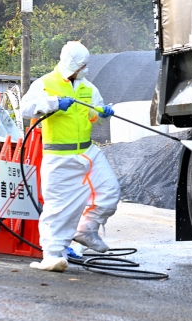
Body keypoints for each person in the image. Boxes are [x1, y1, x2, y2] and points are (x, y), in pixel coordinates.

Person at [21, 41, 121, 272]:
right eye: (83, 64)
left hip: (88, 152)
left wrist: (103, 112)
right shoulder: (45, 84)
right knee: (58, 208)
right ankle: (52, 255)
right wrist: (54, 103)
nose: (86, 68)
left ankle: (86, 230)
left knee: (109, 191)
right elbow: (26, 108)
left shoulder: (88, 88)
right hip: (59, 157)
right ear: (72, 64)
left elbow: (95, 112)